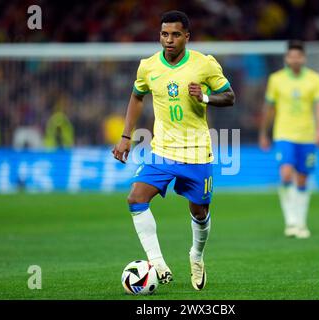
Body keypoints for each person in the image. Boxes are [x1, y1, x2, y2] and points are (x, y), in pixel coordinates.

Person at [112, 10, 235, 290]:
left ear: (187, 37)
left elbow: (230, 96)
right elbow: (136, 96)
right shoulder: (148, 66)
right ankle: (156, 262)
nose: (169, 40)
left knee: (200, 212)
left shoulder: (204, 64)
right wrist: (125, 136)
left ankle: (196, 255)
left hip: (196, 152)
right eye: (165, 34)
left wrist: (204, 96)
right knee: (135, 198)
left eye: (176, 34)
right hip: (162, 150)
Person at [259, 40, 319, 239]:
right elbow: (269, 108)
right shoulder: (276, 79)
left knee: (303, 178)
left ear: (304, 58)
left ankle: (301, 222)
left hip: (307, 135)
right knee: (286, 174)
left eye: (298, 56)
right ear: (286, 58)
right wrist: (264, 133)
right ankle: (291, 220)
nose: (295, 59)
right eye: (291, 56)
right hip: (284, 134)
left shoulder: (315, 79)